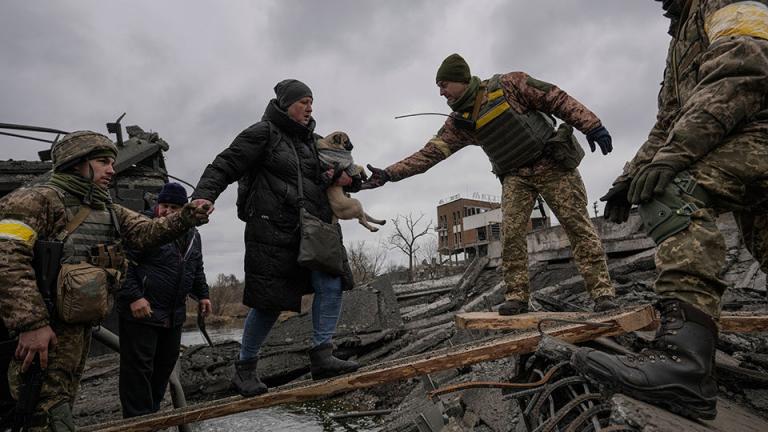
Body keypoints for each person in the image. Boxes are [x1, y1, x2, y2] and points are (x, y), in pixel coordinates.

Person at [573, 0, 768, 420]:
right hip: (744, 142)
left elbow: (746, 64)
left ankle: (684, 367)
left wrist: (670, 161)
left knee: (672, 192)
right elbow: (669, 121)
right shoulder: (681, 34)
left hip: (758, 131)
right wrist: (630, 176)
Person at [362, 53, 617, 315]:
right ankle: (517, 296)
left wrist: (591, 124)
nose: (441, 92)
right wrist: (389, 174)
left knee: (577, 227)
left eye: (443, 84)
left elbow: (555, 97)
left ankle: (602, 294)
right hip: (516, 176)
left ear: (461, 80)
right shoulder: (460, 123)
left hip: (551, 164)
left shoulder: (509, 85)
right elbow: (428, 155)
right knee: (511, 235)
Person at [0, 131, 209, 431]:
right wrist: (31, 324)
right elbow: (7, 259)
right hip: (42, 332)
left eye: (112, 161)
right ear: (76, 164)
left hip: (77, 330)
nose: (112, 169)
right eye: (102, 162)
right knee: (37, 410)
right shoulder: (34, 200)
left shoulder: (106, 208)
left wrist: (188, 215)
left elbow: (147, 232)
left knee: (59, 403)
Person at [190, 79, 359, 397]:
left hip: (317, 228)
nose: (309, 107)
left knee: (331, 283)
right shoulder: (262, 133)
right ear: (285, 104)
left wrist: (357, 179)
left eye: (312, 102)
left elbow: (340, 173)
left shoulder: (317, 143)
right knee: (269, 302)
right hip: (273, 231)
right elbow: (224, 164)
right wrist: (203, 195)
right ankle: (245, 368)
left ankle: (323, 355)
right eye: (302, 102)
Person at [117, 182, 212, 418]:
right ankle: (137, 421)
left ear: (184, 209)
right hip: (142, 313)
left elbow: (195, 266)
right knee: (138, 371)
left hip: (173, 314)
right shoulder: (143, 227)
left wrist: (203, 294)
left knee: (164, 368)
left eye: (174, 207)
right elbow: (121, 263)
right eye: (164, 205)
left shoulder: (193, 234)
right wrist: (134, 296)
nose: (167, 211)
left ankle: (152, 415)